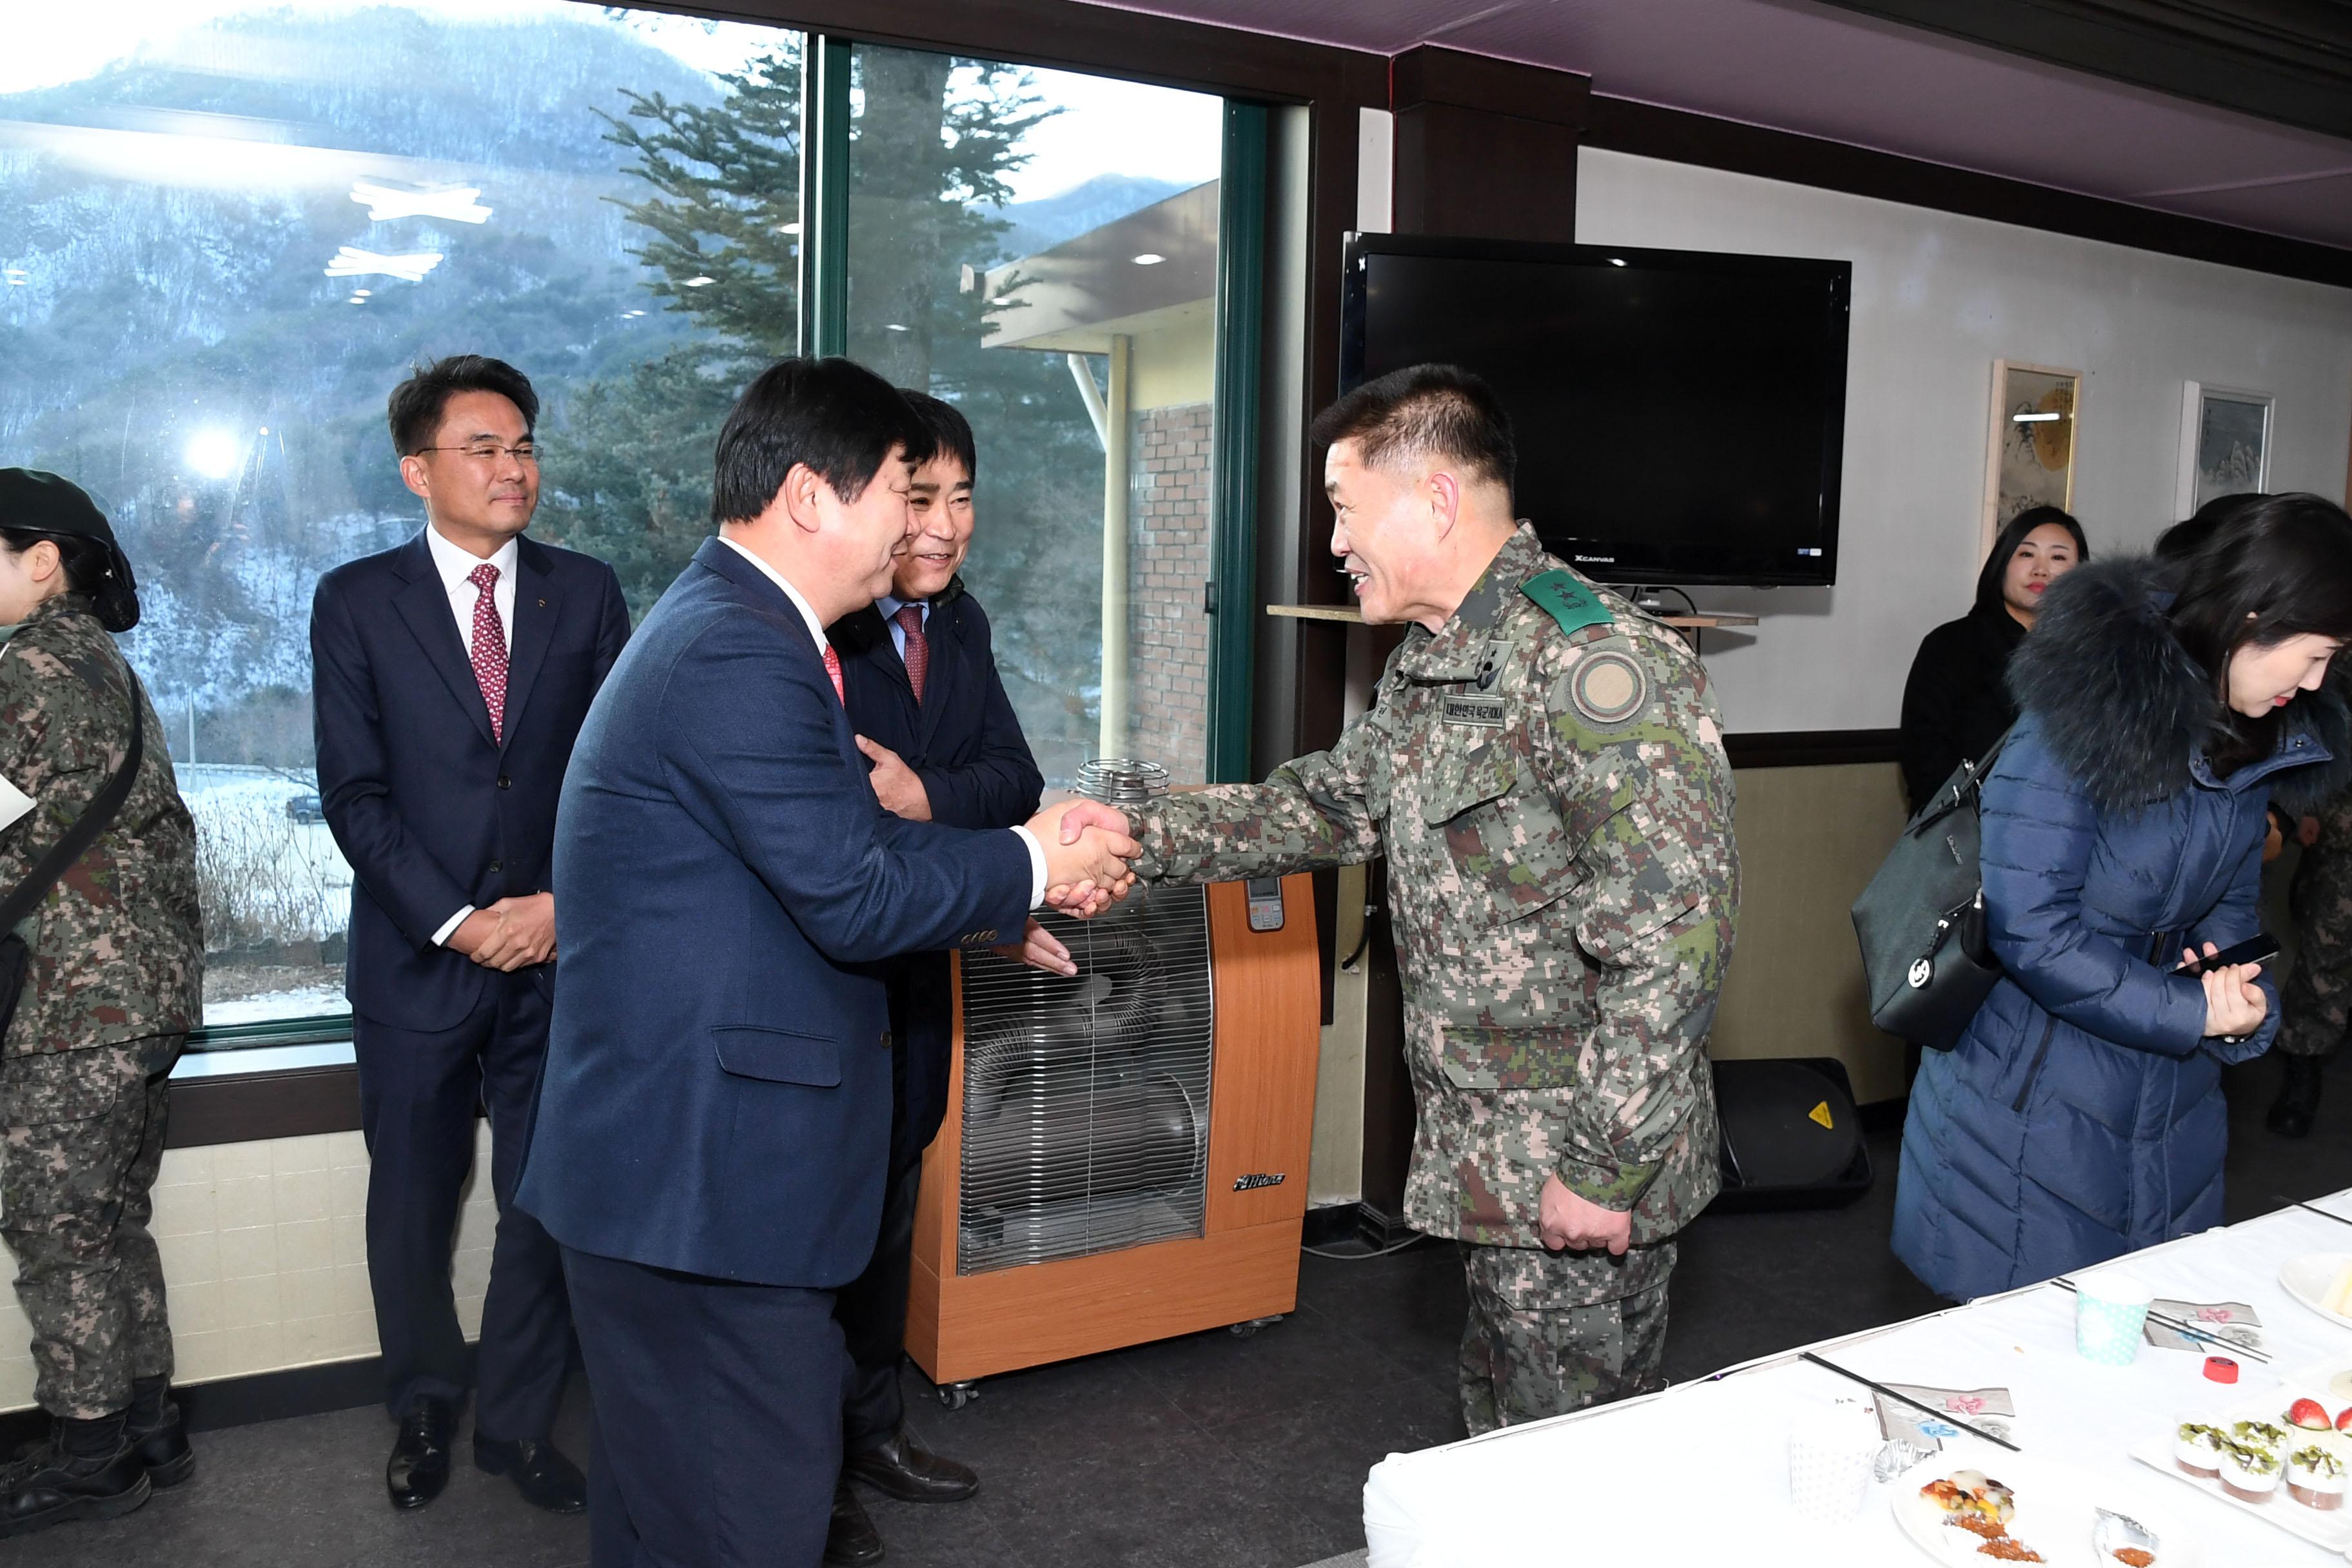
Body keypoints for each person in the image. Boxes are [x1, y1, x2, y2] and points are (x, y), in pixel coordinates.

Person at [514, 356, 1138, 1568]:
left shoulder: (736, 626)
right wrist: (1027, 858)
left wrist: (986, 902)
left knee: (663, 1520)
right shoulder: (739, 650)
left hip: (678, 1179)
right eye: (903, 495)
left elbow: (799, 870)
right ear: (811, 496)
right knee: (750, 1521)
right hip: (705, 1194)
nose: (921, 527)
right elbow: (851, 890)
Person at [1096, 364, 1737, 1435]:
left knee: (1566, 1465)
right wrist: (1137, 835)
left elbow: (1674, 940)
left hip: (1574, 1157)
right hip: (1492, 1150)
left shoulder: (1595, 663)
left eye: (1344, 509)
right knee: (1502, 1434)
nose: (1333, 542)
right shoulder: (1435, 658)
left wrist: (1602, 1169)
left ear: (1435, 498)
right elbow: (1338, 805)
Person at [1892, 493, 2352, 1300]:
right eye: (2314, 654)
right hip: (2025, 1109)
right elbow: (2030, 929)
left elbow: (2232, 915)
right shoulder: (2081, 714)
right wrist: (2190, 1013)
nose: (2316, 682)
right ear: (2255, 617)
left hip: (2171, 1107)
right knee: (2022, 1369)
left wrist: (2242, 1003)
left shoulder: (2255, 733)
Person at [310, 355, 631, 1514]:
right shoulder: (355, 600)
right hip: (414, 962)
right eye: (485, 447)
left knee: (545, 1198)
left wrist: (558, 909)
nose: (513, 466)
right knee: (411, 1200)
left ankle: (518, 1419)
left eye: (525, 445)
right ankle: (423, 1406)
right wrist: (454, 920)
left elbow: (614, 780)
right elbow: (353, 794)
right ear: (417, 469)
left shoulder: (584, 592)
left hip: (558, 956)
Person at [822, 391, 1046, 1565]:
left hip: (918, 979)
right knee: (818, 1239)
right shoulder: (824, 629)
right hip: (827, 985)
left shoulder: (958, 624)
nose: (947, 524)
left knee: (885, 1221)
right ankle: (809, 1477)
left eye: (964, 497)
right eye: (921, 496)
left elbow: (1012, 775)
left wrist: (923, 793)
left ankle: (872, 1431)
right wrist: (936, 812)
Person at [0, 469, 202, 1536]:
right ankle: (150, 1427)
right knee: (112, 1221)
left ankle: (89, 1455)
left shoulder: (23, 667)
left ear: (44, 561)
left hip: (72, 1003)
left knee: (56, 1228)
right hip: (141, 997)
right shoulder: (99, 663)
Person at [1897, 505, 2087, 810]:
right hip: (1969, 833)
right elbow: (1924, 758)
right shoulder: (1949, 646)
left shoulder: (2096, 655)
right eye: (2026, 555)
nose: (2041, 569)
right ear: (2002, 564)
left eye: (2058, 557)